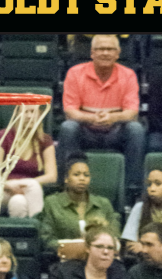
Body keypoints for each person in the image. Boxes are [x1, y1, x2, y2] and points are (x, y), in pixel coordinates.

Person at [58, 34, 145, 203]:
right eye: (101, 49)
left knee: (136, 130)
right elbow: (70, 112)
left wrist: (112, 117)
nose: (105, 53)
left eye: (110, 49)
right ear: (92, 53)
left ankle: (132, 192)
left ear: (118, 53)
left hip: (115, 132)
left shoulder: (128, 75)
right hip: (85, 130)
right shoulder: (75, 73)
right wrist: (92, 118)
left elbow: (132, 113)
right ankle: (67, 186)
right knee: (68, 127)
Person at [38, 153, 121, 258]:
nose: (82, 179)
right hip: (65, 258)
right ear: (66, 179)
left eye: (86, 175)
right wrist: (74, 248)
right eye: (76, 175)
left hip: (101, 258)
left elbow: (114, 236)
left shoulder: (103, 204)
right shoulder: (52, 202)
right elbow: (47, 238)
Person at [0, 106, 57, 217]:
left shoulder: (45, 140)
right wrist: (11, 185)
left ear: (39, 115)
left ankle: (20, 233)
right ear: (17, 115)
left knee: (18, 201)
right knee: (32, 186)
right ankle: (39, 227)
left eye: (32, 111)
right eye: (25, 112)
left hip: (29, 191)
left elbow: (52, 176)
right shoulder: (1, 136)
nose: (29, 116)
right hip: (3, 189)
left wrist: (25, 185)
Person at [122, 168, 162, 253]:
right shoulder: (140, 207)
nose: (152, 189)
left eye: (158, 184)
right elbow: (129, 242)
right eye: (149, 184)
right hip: (147, 256)